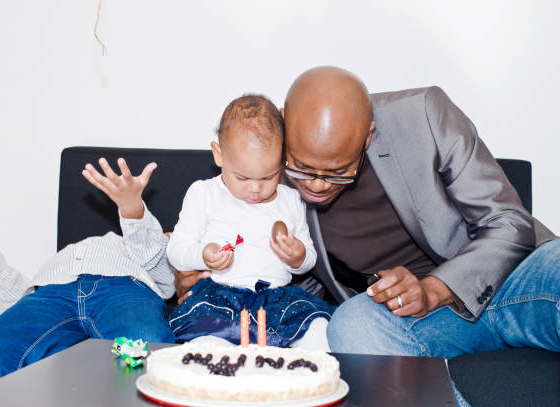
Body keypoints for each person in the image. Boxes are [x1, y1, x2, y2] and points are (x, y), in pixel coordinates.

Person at [176, 66, 559, 359]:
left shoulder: (423, 115)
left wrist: (433, 289)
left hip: (515, 280)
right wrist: (210, 277)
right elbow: (291, 272)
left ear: (369, 136)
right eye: (303, 168)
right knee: (351, 326)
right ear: (284, 121)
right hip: (415, 321)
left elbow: (507, 222)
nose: (318, 185)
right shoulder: (269, 174)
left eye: (338, 172)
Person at [0, 158, 175, 396]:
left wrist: (132, 210)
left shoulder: (154, 257)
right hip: (52, 292)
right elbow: (20, 301)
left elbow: (153, 254)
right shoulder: (68, 257)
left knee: (145, 353)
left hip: (125, 288)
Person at [167, 94, 334, 350]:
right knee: (205, 345)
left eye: (269, 177)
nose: (256, 189)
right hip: (220, 297)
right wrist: (203, 255)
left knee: (320, 331)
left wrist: (298, 257)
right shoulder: (204, 193)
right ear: (219, 155)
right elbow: (176, 252)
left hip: (277, 300)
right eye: (243, 178)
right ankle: (214, 381)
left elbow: (308, 260)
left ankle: (300, 383)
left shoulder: (291, 200)